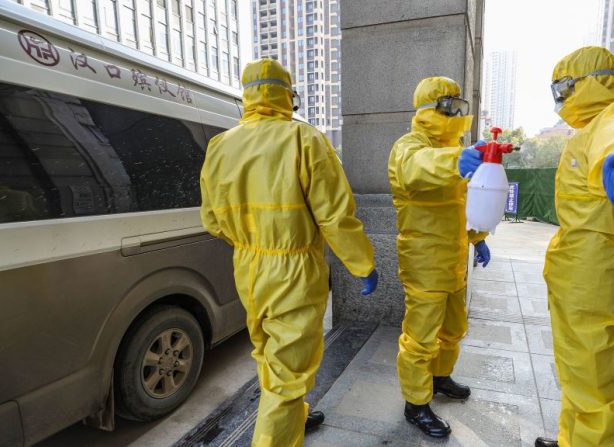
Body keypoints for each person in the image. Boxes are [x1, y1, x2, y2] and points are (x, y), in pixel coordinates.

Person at [199, 58, 379, 447]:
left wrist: (251, 240)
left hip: (248, 267)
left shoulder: (220, 145)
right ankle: (280, 427)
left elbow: (212, 221)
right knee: (288, 376)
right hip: (294, 270)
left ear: (246, 94)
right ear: (287, 94)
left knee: (268, 356)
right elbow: (335, 215)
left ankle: (292, 418)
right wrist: (362, 264)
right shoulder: (304, 139)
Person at [535, 47, 614, 447]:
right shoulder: (596, 122)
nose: (561, 97)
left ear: (588, 82)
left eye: (565, 87)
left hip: (595, 265)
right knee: (579, 369)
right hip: (580, 262)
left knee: (593, 377)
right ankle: (571, 440)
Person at [388, 76, 491, 438]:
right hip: (424, 261)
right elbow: (417, 169)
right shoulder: (409, 146)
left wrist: (478, 238)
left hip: (453, 259)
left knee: (453, 328)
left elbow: (465, 202)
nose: (458, 114)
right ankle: (415, 403)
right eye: (451, 107)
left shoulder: (457, 149)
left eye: (460, 106)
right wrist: (455, 160)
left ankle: (441, 377)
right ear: (432, 109)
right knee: (420, 337)